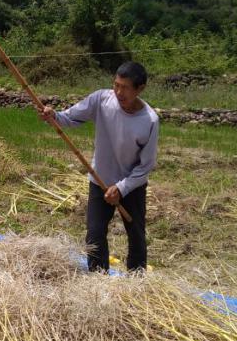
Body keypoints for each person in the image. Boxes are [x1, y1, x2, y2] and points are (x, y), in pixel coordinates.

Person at [39, 61, 159, 273]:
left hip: (131, 186)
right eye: (116, 85)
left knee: (136, 234)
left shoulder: (149, 120)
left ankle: (137, 279)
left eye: (125, 88)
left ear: (140, 89)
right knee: (94, 233)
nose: (119, 92)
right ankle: (98, 277)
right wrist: (54, 116)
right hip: (100, 180)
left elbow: (145, 166)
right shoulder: (102, 100)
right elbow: (70, 117)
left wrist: (121, 188)